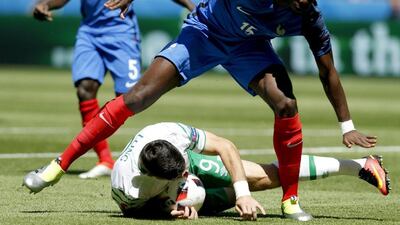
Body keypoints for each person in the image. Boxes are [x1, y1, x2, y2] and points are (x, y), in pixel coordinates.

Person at [23, 0, 378, 221]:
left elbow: (328, 71)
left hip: (248, 47)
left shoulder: (309, 16)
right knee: (137, 97)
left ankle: (290, 200)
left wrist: (346, 125)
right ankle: (57, 167)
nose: (305, 1)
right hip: (204, 33)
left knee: (286, 105)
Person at [24, 122, 390, 220]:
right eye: (178, 176)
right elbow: (142, 212)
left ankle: (359, 165)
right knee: (211, 193)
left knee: (262, 177)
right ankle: (359, 166)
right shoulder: (131, 192)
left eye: (182, 170)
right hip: (167, 196)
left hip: (184, 165)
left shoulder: (166, 135)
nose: (183, 176)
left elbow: (226, 146)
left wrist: (241, 191)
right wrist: (174, 211)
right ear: (157, 180)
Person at [31, 0, 196, 179]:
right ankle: (105, 161)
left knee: (130, 99)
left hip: (122, 33)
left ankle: (153, 156)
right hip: (89, 33)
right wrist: (46, 4)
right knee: (85, 89)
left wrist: (189, 5)